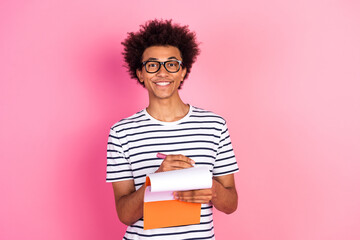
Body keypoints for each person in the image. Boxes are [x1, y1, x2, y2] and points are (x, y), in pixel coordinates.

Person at [106, 19, 239, 240]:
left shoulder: (215, 126)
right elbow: (125, 215)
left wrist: (211, 189)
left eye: (171, 64)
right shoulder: (121, 133)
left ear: (182, 71)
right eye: (152, 65)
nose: (162, 72)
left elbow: (231, 204)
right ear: (140, 73)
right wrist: (157, 179)